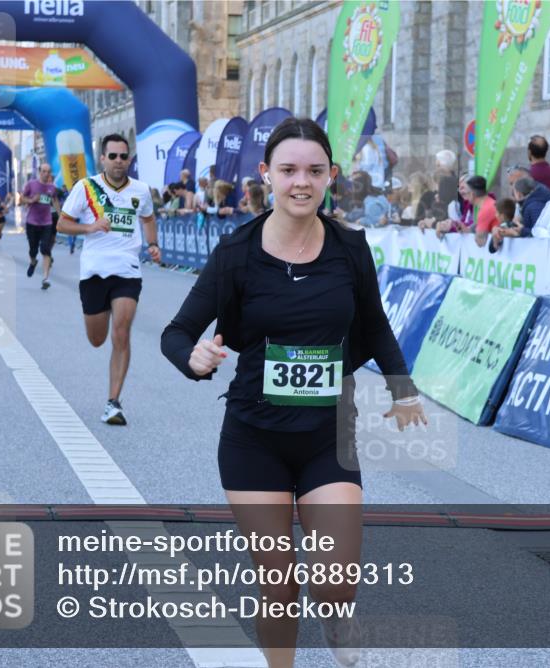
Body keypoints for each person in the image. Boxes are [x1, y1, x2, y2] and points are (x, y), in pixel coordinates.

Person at [161, 117, 426, 668]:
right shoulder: (236, 253)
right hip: (253, 439)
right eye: (288, 171)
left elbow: (374, 324)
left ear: (330, 176)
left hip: (328, 436)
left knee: (335, 581)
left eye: (313, 170)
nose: (300, 182)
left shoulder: (351, 249)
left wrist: (403, 390)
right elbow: (177, 332)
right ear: (267, 176)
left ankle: (337, 616)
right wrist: (194, 358)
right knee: (277, 584)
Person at [57, 133, 161, 425]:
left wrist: (152, 244)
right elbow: (62, 223)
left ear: (129, 159)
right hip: (93, 272)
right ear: (102, 158)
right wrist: (90, 227)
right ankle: (111, 397)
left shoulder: (140, 190)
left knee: (122, 332)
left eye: (123, 156)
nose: (118, 161)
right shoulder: (86, 187)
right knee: (97, 338)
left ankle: (113, 402)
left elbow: (149, 218)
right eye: (113, 156)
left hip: (127, 270)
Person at [22, 163, 59, 290]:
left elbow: (55, 201)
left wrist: (60, 217)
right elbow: (22, 198)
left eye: (48, 171)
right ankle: (33, 261)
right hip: (32, 222)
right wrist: (31, 200)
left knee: (45, 249)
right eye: (43, 171)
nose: (46, 174)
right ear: (39, 172)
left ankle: (45, 278)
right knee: (33, 250)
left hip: (46, 223)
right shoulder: (31, 184)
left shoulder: (52, 188)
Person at [468, 175, 498, 248]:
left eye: (467, 193)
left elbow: (480, 242)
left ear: (472, 194)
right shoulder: (492, 203)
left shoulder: (485, 209)